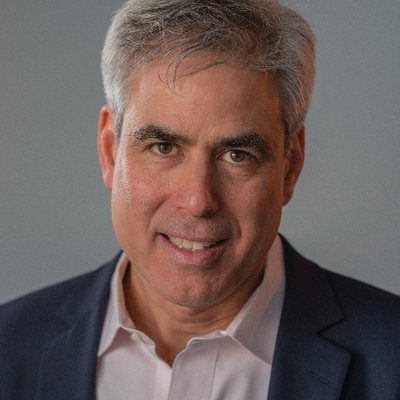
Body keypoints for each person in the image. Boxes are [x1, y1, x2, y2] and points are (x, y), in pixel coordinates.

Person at [1, 0, 399, 399]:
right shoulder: (9, 348)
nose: (198, 201)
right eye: (163, 147)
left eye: (237, 155)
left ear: (290, 166)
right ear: (110, 151)